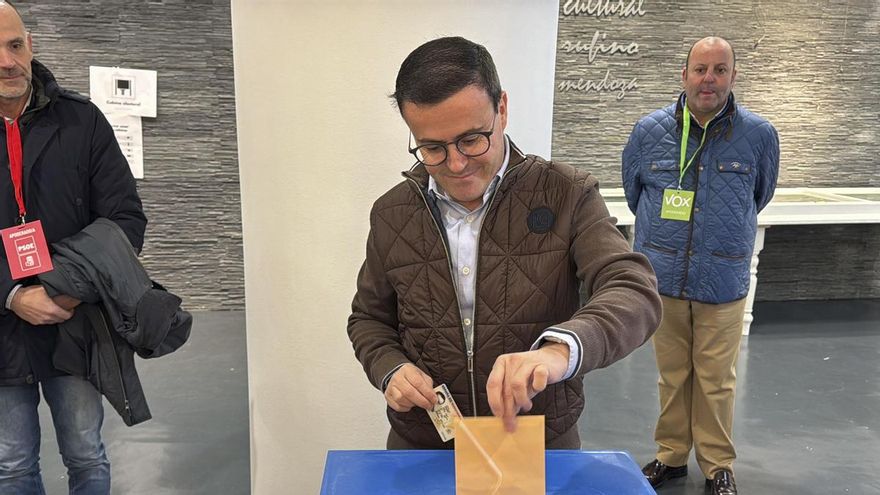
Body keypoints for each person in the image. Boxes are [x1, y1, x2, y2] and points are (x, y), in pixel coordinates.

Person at [348, 36, 662, 450]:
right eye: (432, 148)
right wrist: (390, 369)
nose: (456, 164)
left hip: (537, 441)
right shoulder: (392, 213)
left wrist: (556, 353)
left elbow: (633, 291)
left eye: (472, 139)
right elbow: (368, 320)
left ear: (502, 109)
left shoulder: (567, 194)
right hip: (426, 441)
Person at [0, 2, 147, 494]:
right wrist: (13, 294)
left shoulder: (81, 121)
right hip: (1, 328)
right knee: (13, 465)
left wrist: (67, 291)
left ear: (31, 46)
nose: (7, 61)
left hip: (74, 320)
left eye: (15, 45)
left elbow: (125, 220)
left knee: (87, 456)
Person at [622, 36, 779, 495]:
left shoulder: (758, 134)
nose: (708, 78)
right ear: (684, 74)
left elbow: (761, 194)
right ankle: (670, 457)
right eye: (700, 69)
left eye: (719, 69)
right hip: (664, 276)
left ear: (733, 76)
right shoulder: (648, 131)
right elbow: (636, 194)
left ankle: (717, 466)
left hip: (723, 276)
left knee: (716, 380)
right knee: (672, 374)